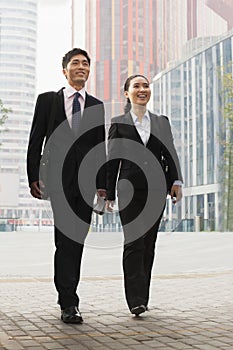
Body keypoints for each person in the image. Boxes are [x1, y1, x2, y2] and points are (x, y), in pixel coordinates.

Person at [27, 48, 106, 324]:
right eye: (76, 63)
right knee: (65, 239)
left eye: (86, 63)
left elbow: (100, 146)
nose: (81, 67)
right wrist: (33, 176)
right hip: (58, 180)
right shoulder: (48, 101)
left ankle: (68, 296)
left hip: (86, 183)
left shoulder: (96, 105)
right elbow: (36, 140)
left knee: (77, 240)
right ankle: (69, 302)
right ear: (65, 70)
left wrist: (104, 186)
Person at [106, 74, 183, 316]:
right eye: (136, 86)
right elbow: (112, 160)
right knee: (133, 242)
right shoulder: (119, 122)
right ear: (127, 93)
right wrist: (108, 193)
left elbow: (169, 151)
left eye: (146, 85)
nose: (142, 89)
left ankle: (143, 296)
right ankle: (135, 299)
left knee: (149, 243)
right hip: (129, 189)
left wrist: (176, 181)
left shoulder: (161, 121)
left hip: (157, 189)